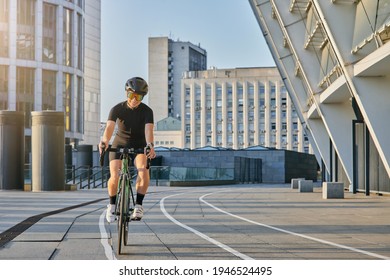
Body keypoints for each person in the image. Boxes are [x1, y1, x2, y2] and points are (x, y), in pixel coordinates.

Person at [99, 77, 156, 223]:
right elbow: (109, 127)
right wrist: (105, 140)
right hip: (119, 144)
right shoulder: (117, 109)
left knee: (143, 170)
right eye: (132, 95)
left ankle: (138, 205)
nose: (135, 100)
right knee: (115, 175)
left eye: (139, 97)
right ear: (127, 94)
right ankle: (112, 205)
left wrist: (150, 144)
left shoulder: (147, 111)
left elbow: (149, 130)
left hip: (139, 144)